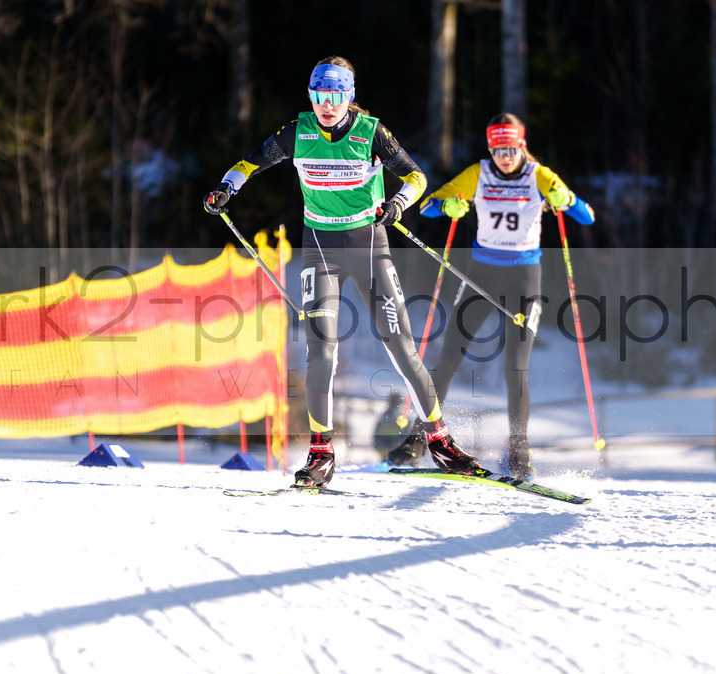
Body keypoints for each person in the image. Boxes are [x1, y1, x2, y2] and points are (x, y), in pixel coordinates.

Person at [204, 56, 480, 487]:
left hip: (369, 248)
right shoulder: (298, 132)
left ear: (349, 96)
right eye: (319, 95)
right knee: (321, 353)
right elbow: (249, 163)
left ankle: (440, 441)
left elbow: (416, 177)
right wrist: (226, 188)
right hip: (320, 251)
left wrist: (397, 204)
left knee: (401, 348)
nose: (326, 105)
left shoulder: (371, 132)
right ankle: (321, 453)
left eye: (335, 96)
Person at [388, 113, 595, 479]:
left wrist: (567, 200)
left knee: (516, 366)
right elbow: (429, 204)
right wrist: (448, 206)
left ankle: (518, 450)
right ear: (490, 149)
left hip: (524, 278)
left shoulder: (539, 175)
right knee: (449, 356)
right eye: (498, 150)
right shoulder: (478, 174)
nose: (505, 157)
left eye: (511, 149)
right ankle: (419, 438)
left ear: (522, 146)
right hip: (482, 276)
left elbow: (587, 216)